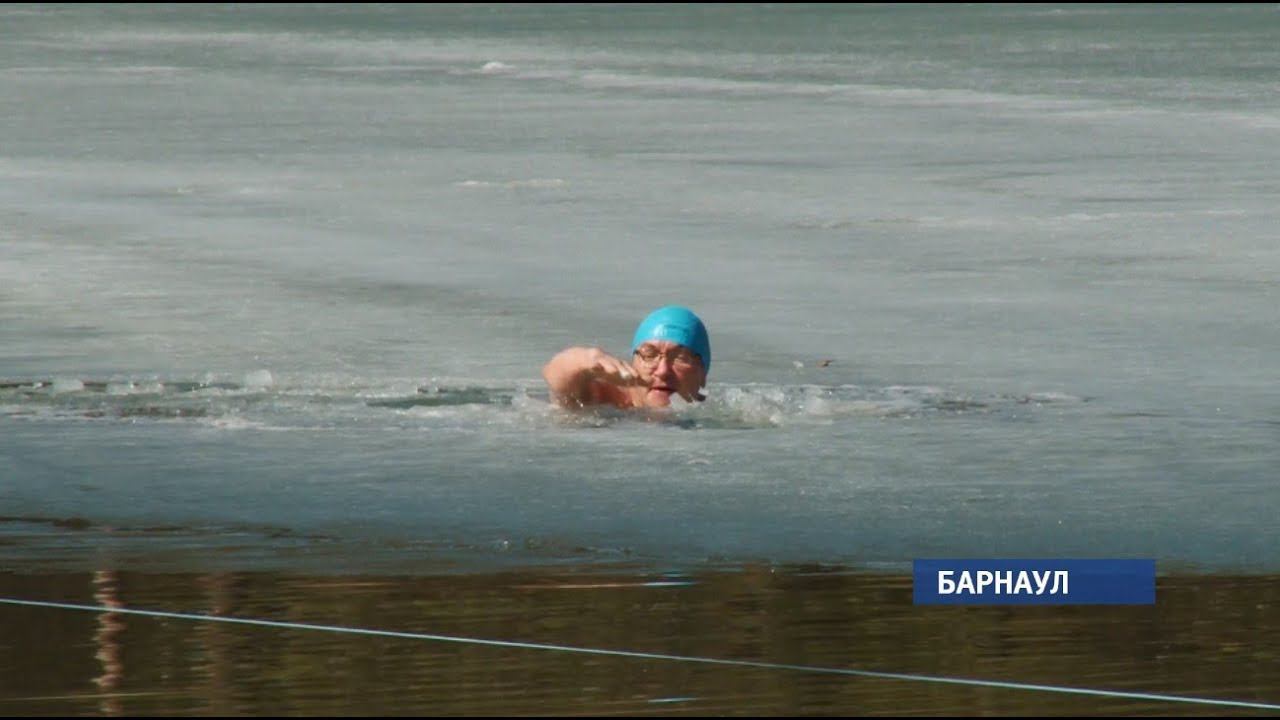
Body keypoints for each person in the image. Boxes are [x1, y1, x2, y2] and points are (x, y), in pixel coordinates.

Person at [543, 305, 710, 409]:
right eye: (650, 355)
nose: (663, 371)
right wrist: (587, 360)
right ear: (634, 363)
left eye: (680, 358)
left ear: (703, 373)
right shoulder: (608, 401)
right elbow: (556, 377)